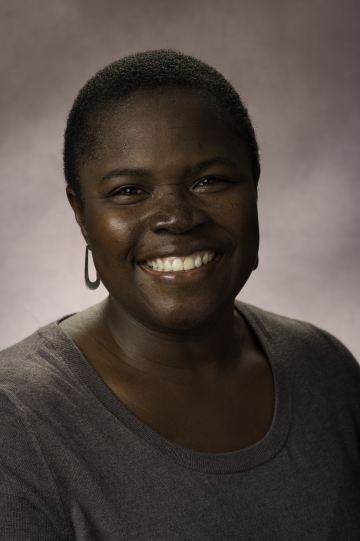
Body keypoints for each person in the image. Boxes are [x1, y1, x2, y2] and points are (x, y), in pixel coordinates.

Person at [1, 50, 359, 540]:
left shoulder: (327, 370)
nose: (177, 217)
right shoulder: (15, 422)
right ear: (80, 214)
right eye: (129, 191)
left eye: (209, 180)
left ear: (254, 187)